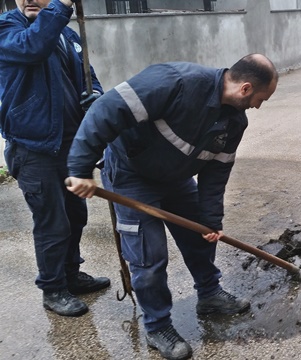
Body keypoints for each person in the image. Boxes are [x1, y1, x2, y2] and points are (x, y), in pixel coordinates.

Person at [65, 54, 279, 360]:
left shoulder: (234, 122)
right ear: (245, 89)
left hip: (176, 179)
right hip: (131, 176)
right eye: (261, 99)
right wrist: (80, 167)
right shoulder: (174, 82)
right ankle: (157, 326)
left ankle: (210, 295)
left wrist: (211, 220)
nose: (258, 106)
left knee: (201, 235)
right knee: (149, 256)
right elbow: (106, 109)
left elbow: (216, 174)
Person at [0, 0, 110, 318]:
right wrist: (60, 7)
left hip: (71, 146)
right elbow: (33, 46)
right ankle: (53, 288)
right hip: (34, 149)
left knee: (76, 216)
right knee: (53, 224)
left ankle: (71, 276)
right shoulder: (9, 28)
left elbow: (88, 76)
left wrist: (97, 98)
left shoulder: (68, 35)